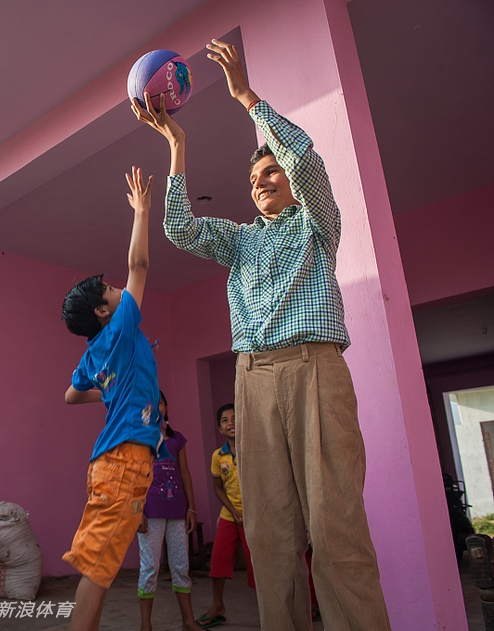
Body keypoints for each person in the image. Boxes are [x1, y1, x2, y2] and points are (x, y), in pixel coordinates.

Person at [134, 37, 392, 631]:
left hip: (313, 370)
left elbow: (303, 157)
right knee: (269, 534)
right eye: (255, 176)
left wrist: (247, 97)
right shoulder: (240, 241)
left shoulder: (315, 224)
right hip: (252, 380)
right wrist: (176, 143)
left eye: (272, 170)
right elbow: (177, 227)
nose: (264, 179)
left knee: (334, 527)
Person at [61, 166, 161, 631]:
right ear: (105, 311)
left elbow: (69, 395)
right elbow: (138, 267)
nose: (120, 292)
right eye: (111, 293)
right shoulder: (120, 327)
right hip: (121, 462)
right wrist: (141, 211)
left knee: (101, 565)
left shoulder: (93, 353)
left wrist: (108, 389)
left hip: (119, 461)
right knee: (97, 568)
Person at [136, 391, 205, 631]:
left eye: (160, 403)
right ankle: (146, 625)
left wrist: (191, 509)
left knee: (180, 566)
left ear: (166, 407)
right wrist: (137, 512)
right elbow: (133, 478)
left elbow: (185, 473)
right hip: (150, 513)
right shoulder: (139, 439)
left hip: (177, 512)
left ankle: (188, 621)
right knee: (150, 568)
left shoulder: (178, 440)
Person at [197, 404, 254, 628]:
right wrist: (233, 511)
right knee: (218, 563)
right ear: (220, 429)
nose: (230, 423)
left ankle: (271, 608)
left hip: (254, 518)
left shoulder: (253, 451)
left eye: (234, 418)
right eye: (224, 420)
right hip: (230, 517)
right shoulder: (217, 456)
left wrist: (250, 512)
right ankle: (218, 605)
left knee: (257, 566)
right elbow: (218, 488)